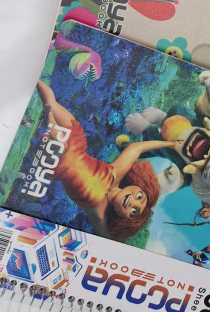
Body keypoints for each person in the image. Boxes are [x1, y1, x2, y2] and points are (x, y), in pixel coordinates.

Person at [36, 80, 179, 241]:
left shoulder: (100, 213)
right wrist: (170, 144)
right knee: (51, 102)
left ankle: (49, 120)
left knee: (61, 146)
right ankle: (37, 85)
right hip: (76, 141)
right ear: (138, 186)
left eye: (134, 211)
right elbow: (136, 148)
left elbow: (110, 238)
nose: (132, 202)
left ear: (124, 220)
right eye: (140, 198)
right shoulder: (116, 174)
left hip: (58, 163)